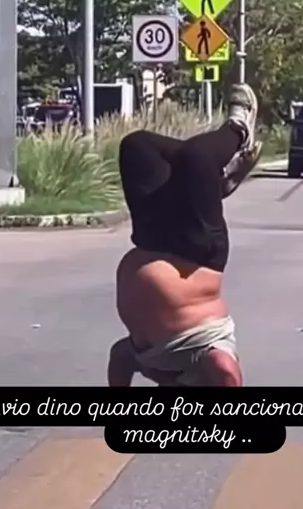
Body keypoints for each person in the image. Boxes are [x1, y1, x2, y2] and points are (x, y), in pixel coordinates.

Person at [107, 83, 261, 387]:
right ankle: (238, 129)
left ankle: (213, 184)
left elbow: (120, 356)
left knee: (137, 146)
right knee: (196, 157)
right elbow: (226, 370)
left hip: (150, 240)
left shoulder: (153, 364)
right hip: (198, 252)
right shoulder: (204, 361)